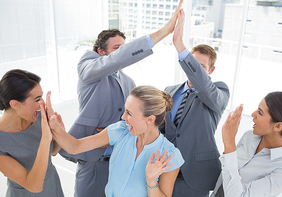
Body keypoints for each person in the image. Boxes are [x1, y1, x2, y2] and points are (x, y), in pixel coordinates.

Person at [58, 1, 184, 196]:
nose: (124, 54)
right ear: (101, 52)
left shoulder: (129, 82)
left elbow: (138, 114)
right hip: (93, 159)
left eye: (125, 48)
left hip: (119, 156)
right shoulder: (88, 67)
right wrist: (162, 33)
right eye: (117, 48)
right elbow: (76, 145)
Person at [49, 85, 184, 197]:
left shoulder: (170, 155)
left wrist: (151, 181)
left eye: (129, 113)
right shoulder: (120, 130)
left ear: (150, 119)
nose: (123, 116)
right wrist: (56, 128)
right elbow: (75, 147)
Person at [159, 10, 230, 197]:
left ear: (211, 70)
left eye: (200, 67)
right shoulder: (170, 89)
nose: (193, 72)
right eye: (193, 65)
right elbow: (162, 128)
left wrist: (179, 44)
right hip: (165, 169)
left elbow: (205, 87)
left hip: (196, 176)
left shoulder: (219, 91)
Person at [211, 92, 282, 197]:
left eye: (260, 112)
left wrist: (229, 144)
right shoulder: (249, 136)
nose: (253, 114)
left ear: (278, 126)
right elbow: (227, 169)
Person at [0, 69, 64, 197]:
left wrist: (59, 134)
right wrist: (45, 139)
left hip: (53, 187)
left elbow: (52, 152)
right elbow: (34, 185)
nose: (42, 104)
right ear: (15, 104)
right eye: (37, 99)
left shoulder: (39, 117)